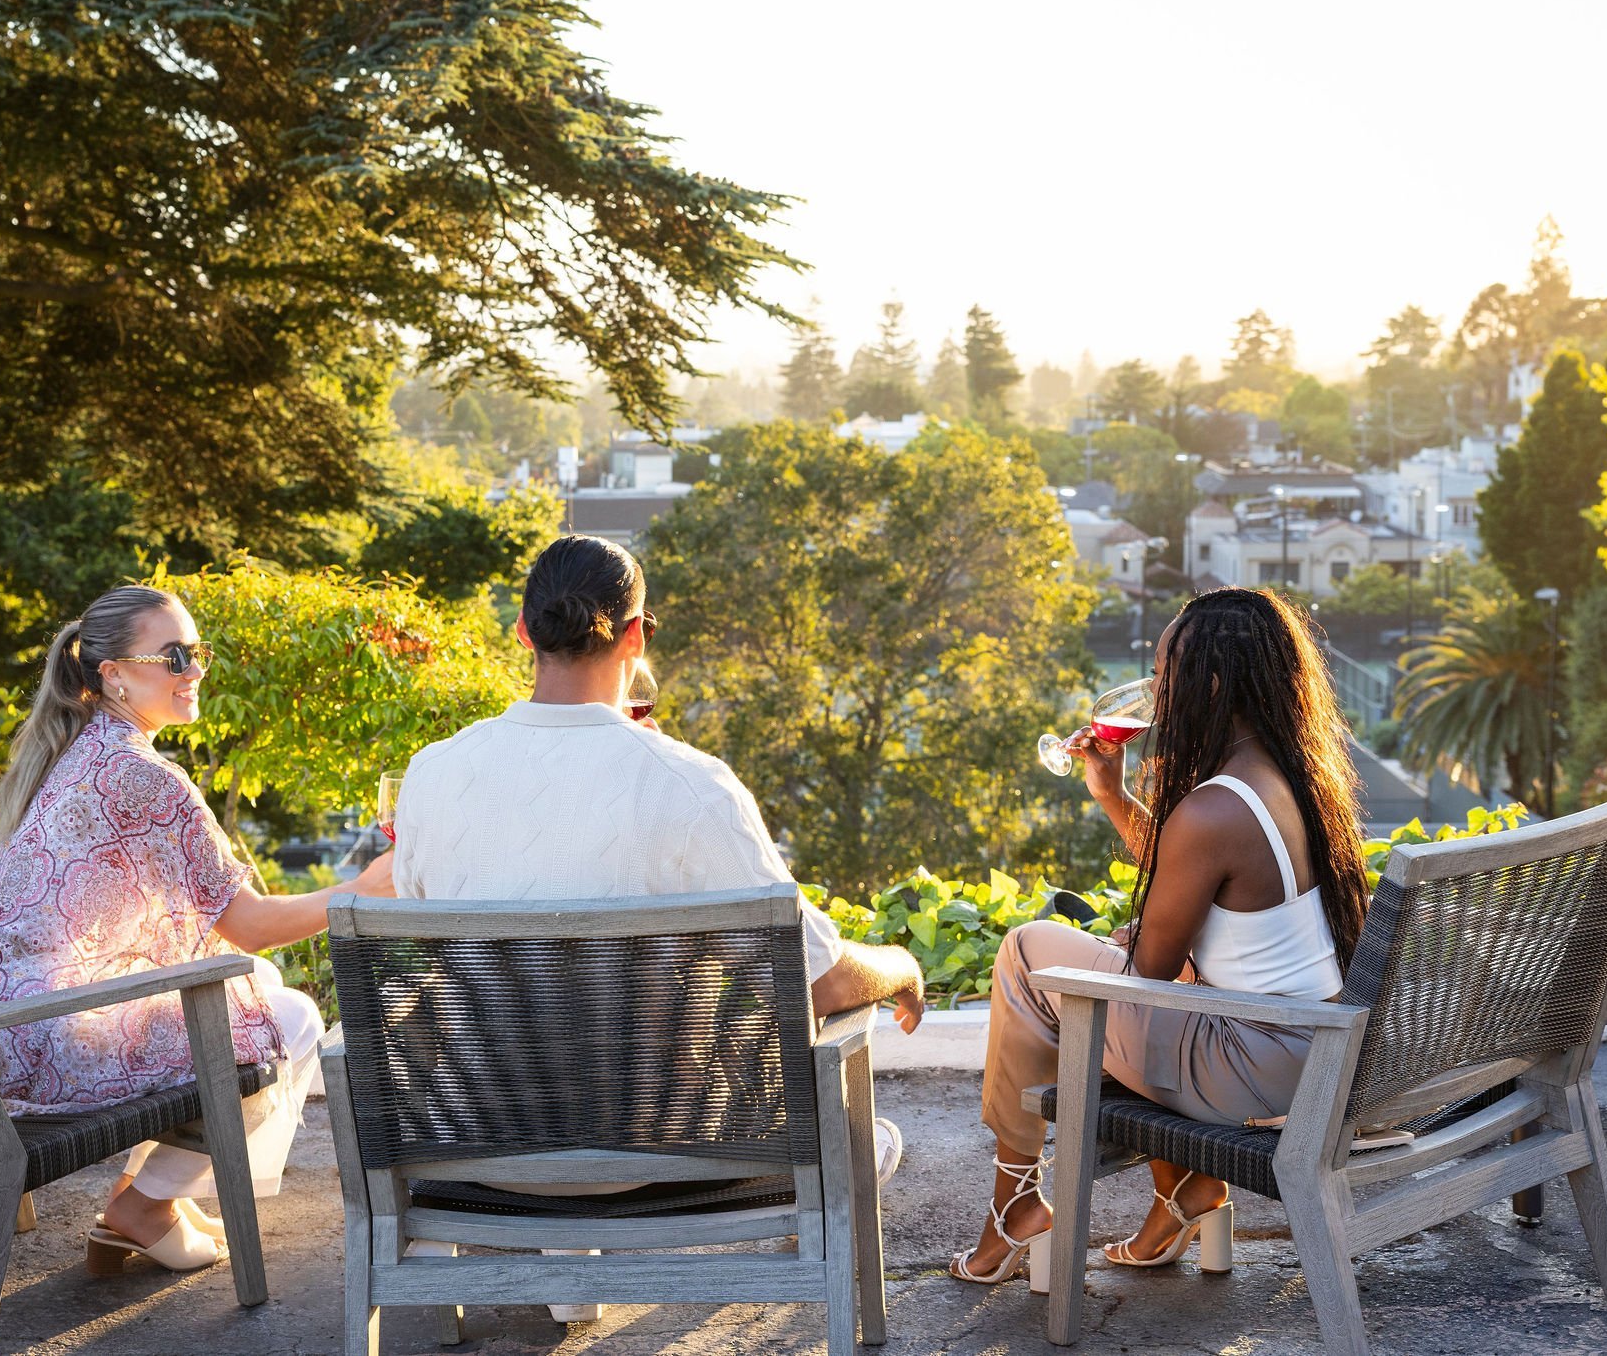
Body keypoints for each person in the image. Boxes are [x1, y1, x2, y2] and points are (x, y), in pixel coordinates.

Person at [391, 534, 926, 1322]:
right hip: (667, 1152)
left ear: (522, 630)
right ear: (637, 634)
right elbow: (824, 983)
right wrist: (904, 965)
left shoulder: (433, 774)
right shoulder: (689, 783)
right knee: (851, 1126)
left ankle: (567, 1261)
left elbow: (433, 952)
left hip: (483, 1145)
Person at [0, 584, 397, 1273]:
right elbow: (248, 923)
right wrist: (360, 890)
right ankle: (146, 1206)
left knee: (257, 989)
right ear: (115, 673)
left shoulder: (79, 749)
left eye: (198, 653)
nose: (195, 670)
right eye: (175, 655)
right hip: (42, 1042)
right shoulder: (142, 775)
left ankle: (148, 1189)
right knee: (292, 1017)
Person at [950, 586, 1372, 1288]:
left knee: (1024, 953)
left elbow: (1145, 971)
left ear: (1207, 680)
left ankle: (1015, 1207)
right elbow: (1196, 876)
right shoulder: (1283, 774)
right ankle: (1186, 1195)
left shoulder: (1213, 807)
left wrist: (1133, 940)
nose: (1156, 692)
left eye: (1164, 671)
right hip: (1309, 1048)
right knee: (1128, 954)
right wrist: (1114, 796)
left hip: (1257, 1071)